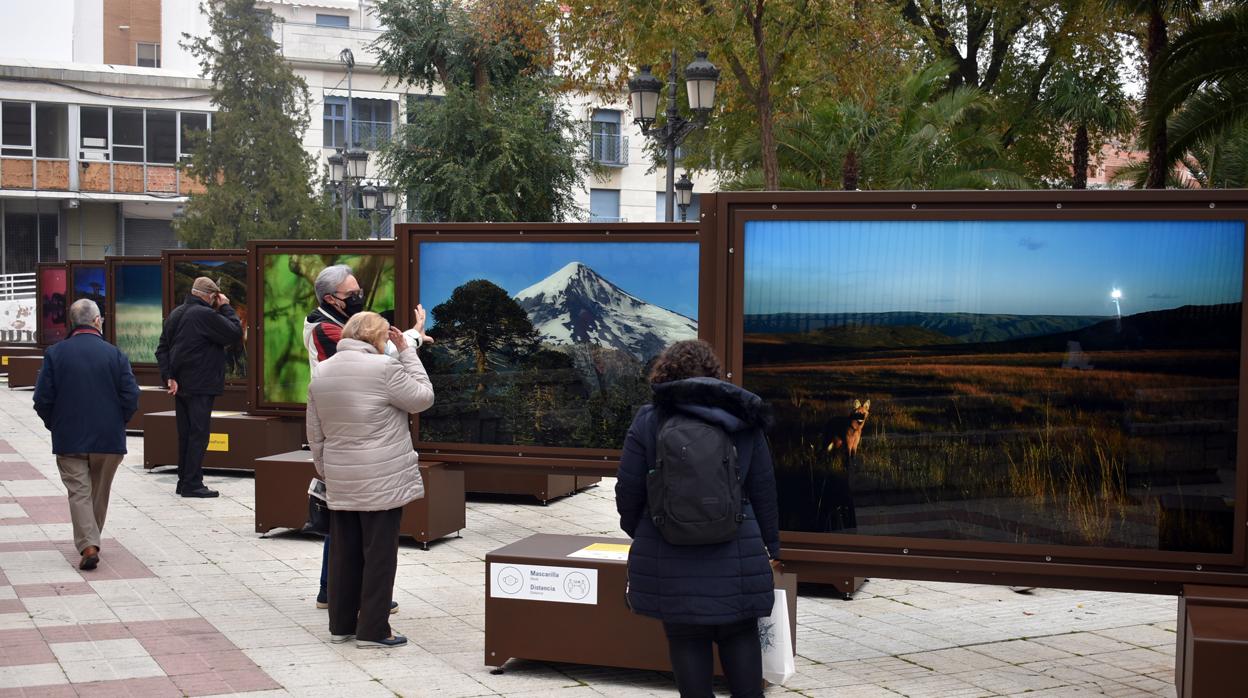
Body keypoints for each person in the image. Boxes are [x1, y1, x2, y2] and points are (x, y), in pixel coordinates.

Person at [616, 340, 781, 698]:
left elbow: (628, 490)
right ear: (714, 376)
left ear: (664, 374)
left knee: (686, 638)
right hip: (736, 554)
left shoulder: (648, 420)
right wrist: (773, 544)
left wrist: (644, 529)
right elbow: (764, 488)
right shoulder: (744, 418)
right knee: (740, 634)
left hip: (670, 557)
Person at [306, 311, 434, 648]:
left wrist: (325, 469)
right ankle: (374, 630)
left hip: (340, 475)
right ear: (378, 337)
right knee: (379, 553)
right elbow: (422, 397)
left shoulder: (323, 371)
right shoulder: (385, 368)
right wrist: (407, 351)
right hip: (382, 477)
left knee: (344, 552)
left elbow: (315, 430)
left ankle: (341, 626)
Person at [33, 299, 139, 571]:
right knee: (99, 492)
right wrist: (117, 422)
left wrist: (56, 424)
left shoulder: (56, 354)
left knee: (79, 493)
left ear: (72, 322)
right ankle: (91, 541)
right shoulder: (115, 354)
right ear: (96, 321)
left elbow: (42, 399)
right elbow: (131, 396)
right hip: (108, 439)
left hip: (70, 438)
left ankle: (89, 544)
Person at [154, 276, 243, 498]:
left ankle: (184, 481)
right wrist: (226, 307)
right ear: (211, 296)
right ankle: (193, 483)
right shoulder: (204, 314)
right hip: (201, 385)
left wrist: (169, 376)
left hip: (181, 385)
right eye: (216, 298)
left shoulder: (176, 313)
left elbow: (161, 349)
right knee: (199, 434)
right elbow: (234, 332)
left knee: (185, 434)